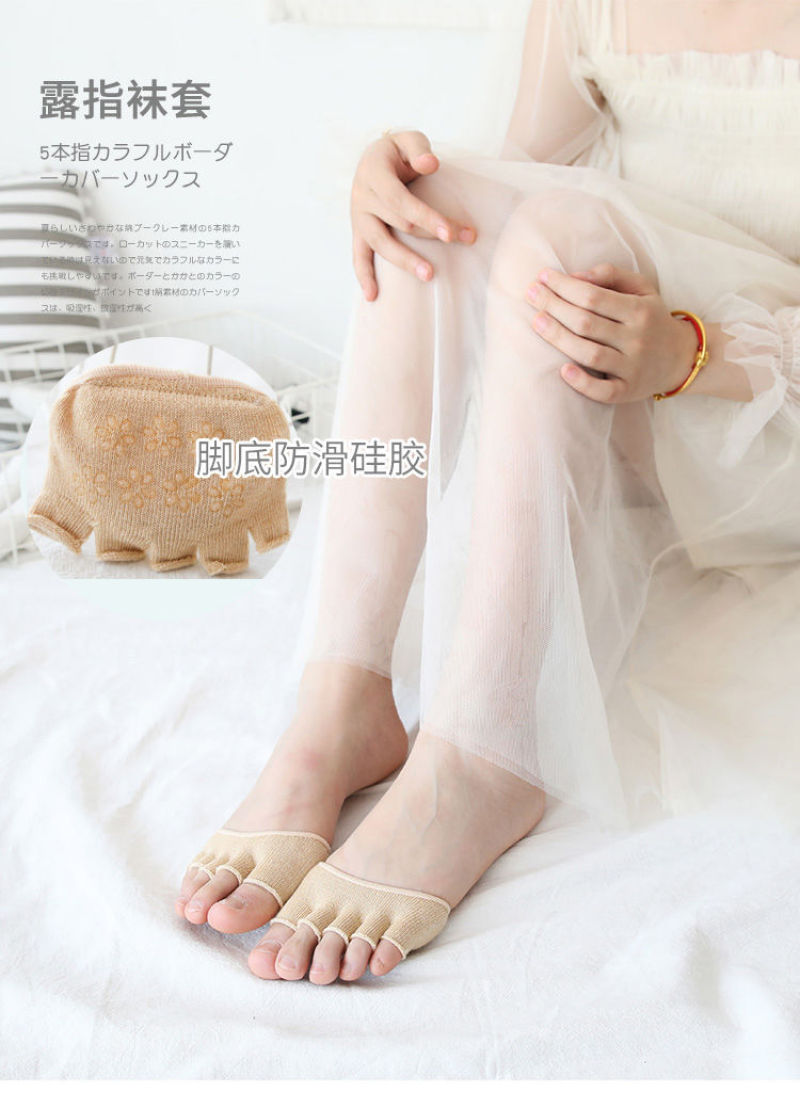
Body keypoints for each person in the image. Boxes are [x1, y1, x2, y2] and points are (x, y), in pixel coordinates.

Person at [175, 0, 800, 984]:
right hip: (634, 399)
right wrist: (390, 195)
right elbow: (512, 202)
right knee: (437, 204)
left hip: (764, 427)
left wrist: (693, 352)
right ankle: (342, 696)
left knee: (557, 230)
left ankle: (483, 752)